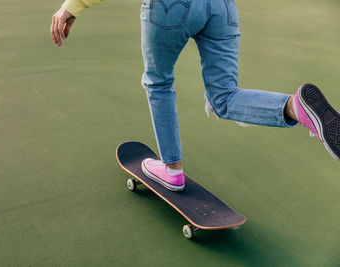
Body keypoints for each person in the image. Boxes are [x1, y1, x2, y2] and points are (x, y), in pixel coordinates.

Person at [50, 0, 340, 192]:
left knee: (159, 83)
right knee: (224, 96)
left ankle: (172, 170)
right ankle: (295, 107)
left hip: (170, 7)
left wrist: (71, 7)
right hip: (222, 7)